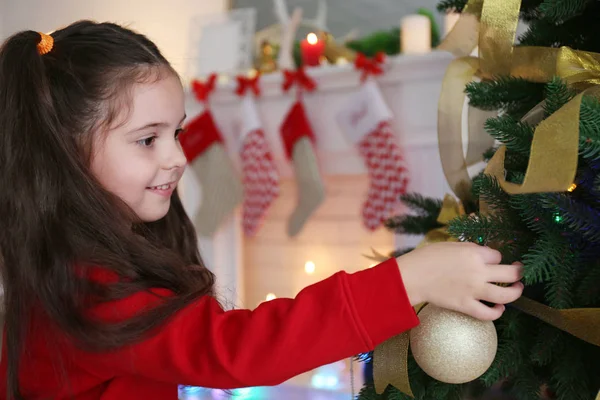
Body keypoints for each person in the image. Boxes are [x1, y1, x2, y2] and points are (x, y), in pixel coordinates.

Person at [0, 21, 524, 400]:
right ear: (64, 153)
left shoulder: (87, 264)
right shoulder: (84, 288)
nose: (179, 158)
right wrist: (408, 281)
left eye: (177, 132)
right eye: (147, 140)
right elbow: (236, 349)